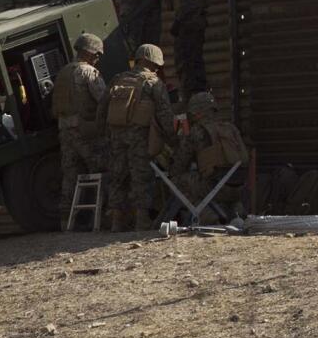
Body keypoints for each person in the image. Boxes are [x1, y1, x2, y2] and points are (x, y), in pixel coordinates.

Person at [99, 43, 176, 232]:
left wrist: (104, 133)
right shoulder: (153, 83)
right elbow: (165, 115)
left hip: (116, 136)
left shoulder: (118, 79)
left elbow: (102, 109)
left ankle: (117, 221)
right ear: (153, 63)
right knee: (141, 176)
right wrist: (172, 139)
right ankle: (142, 221)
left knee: (118, 176)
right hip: (139, 137)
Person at [52, 33, 107, 228]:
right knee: (100, 169)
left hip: (64, 131)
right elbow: (103, 100)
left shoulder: (63, 72)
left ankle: (66, 220)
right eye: (97, 54)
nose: (98, 59)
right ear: (89, 52)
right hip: (84, 130)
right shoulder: (88, 73)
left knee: (70, 175)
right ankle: (101, 219)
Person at [172, 92, 250, 218]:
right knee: (223, 178)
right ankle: (237, 211)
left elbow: (179, 166)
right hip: (239, 188)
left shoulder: (197, 131)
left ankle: (206, 214)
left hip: (214, 188)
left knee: (177, 181)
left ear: (197, 112)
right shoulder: (230, 128)